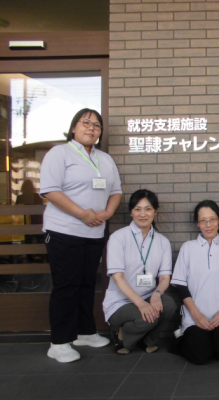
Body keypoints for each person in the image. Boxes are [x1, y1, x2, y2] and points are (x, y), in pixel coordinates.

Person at [40, 108, 123, 363]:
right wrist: (82, 214)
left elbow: (116, 191)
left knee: (87, 284)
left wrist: (108, 212)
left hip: (94, 232)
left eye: (96, 125)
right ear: (74, 127)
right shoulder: (59, 153)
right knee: (66, 286)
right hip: (64, 231)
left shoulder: (104, 159)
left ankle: (85, 332)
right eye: (86, 122)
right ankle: (59, 342)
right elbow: (50, 191)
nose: (91, 128)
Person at [170, 200, 219, 365]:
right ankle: (182, 337)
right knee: (200, 356)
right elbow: (181, 286)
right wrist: (197, 316)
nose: (208, 225)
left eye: (212, 219)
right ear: (197, 223)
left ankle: (211, 339)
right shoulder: (188, 248)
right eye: (203, 220)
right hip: (195, 316)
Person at [103, 189, 176, 354]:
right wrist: (142, 304)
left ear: (155, 212)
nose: (143, 214)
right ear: (131, 212)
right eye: (138, 209)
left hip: (148, 297)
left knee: (168, 305)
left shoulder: (162, 242)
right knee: (150, 317)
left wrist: (156, 294)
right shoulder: (118, 238)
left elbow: (165, 277)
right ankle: (123, 338)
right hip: (120, 303)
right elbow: (118, 278)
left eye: (148, 209)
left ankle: (148, 340)